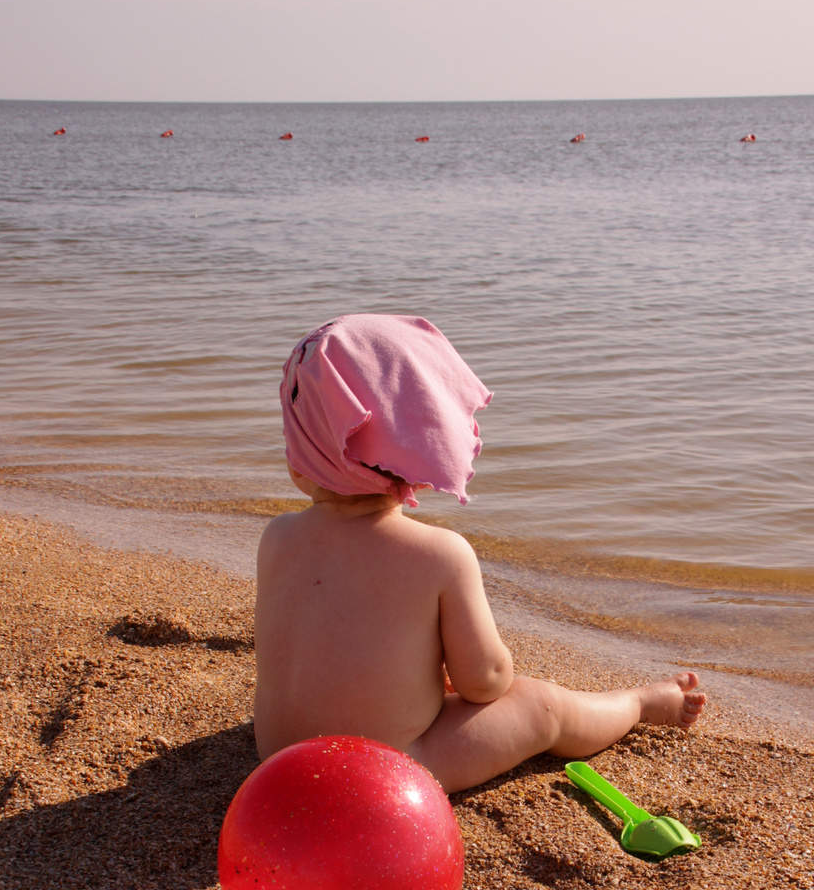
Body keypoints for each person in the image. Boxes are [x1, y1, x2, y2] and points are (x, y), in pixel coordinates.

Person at [254, 314, 705, 794]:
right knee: (537, 704)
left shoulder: (277, 536)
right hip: (385, 778)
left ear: (301, 456)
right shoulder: (439, 553)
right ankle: (638, 704)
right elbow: (485, 683)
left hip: (280, 763)